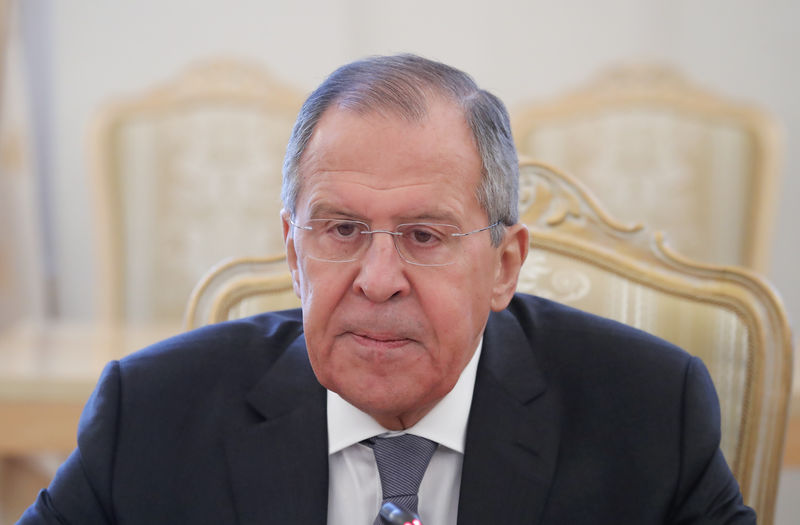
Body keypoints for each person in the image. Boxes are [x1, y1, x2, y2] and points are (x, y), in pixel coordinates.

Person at [19, 54, 755, 524]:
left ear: (504, 264)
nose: (376, 280)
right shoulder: (148, 416)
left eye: (424, 236)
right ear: (293, 252)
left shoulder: (650, 415)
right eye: (340, 229)